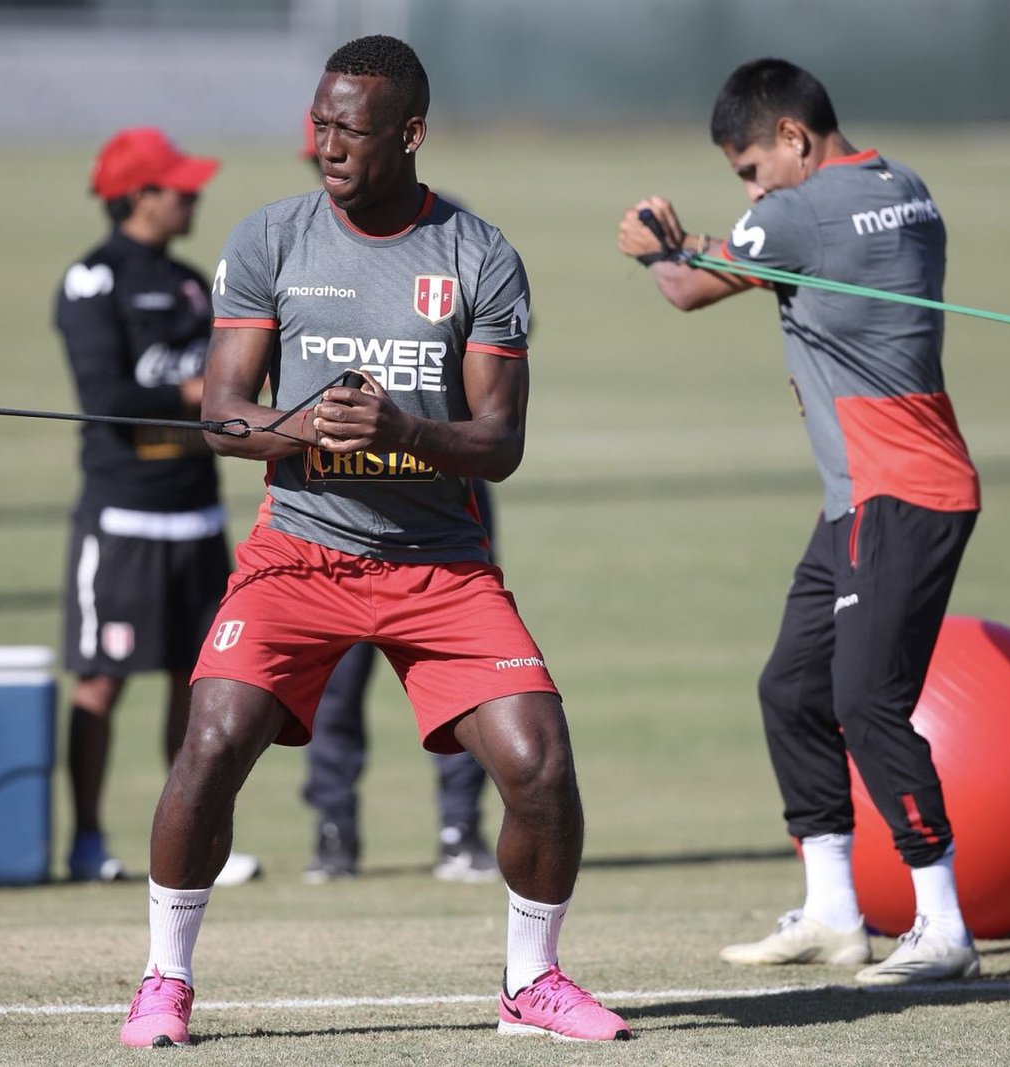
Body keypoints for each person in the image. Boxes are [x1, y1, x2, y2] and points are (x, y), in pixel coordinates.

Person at [118, 35, 630, 1047]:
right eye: (319, 125)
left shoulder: (478, 255)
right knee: (210, 744)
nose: (327, 145)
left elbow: (499, 443)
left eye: (349, 129)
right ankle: (163, 981)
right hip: (296, 553)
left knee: (540, 767)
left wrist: (407, 431)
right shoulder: (270, 239)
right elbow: (222, 417)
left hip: (437, 565)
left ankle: (530, 982)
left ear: (408, 133)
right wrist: (295, 425)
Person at [618, 57, 983, 985]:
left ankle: (942, 922)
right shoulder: (901, 185)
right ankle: (832, 912)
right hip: (865, 496)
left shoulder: (798, 209)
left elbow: (689, 288)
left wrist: (657, 246)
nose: (749, 187)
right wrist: (709, 235)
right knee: (791, 688)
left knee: (865, 704)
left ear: (793, 136)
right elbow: (771, 245)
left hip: (894, 492)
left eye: (749, 168)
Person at [294, 114, 500, 886]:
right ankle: (334, 831)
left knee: (472, 689)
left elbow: (495, 387)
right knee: (335, 686)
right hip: (331, 523)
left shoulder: (463, 240)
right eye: (318, 145)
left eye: (352, 142)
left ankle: (459, 831)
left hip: (442, 514)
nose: (331, 164)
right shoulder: (294, 246)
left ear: (403, 143)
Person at [54, 126, 259, 889]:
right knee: (101, 679)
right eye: (181, 187)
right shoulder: (92, 282)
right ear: (140, 196)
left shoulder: (192, 283)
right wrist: (193, 393)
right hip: (123, 520)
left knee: (196, 682)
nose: (194, 196)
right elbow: (105, 397)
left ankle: (197, 841)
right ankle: (84, 839)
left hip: (198, 516)